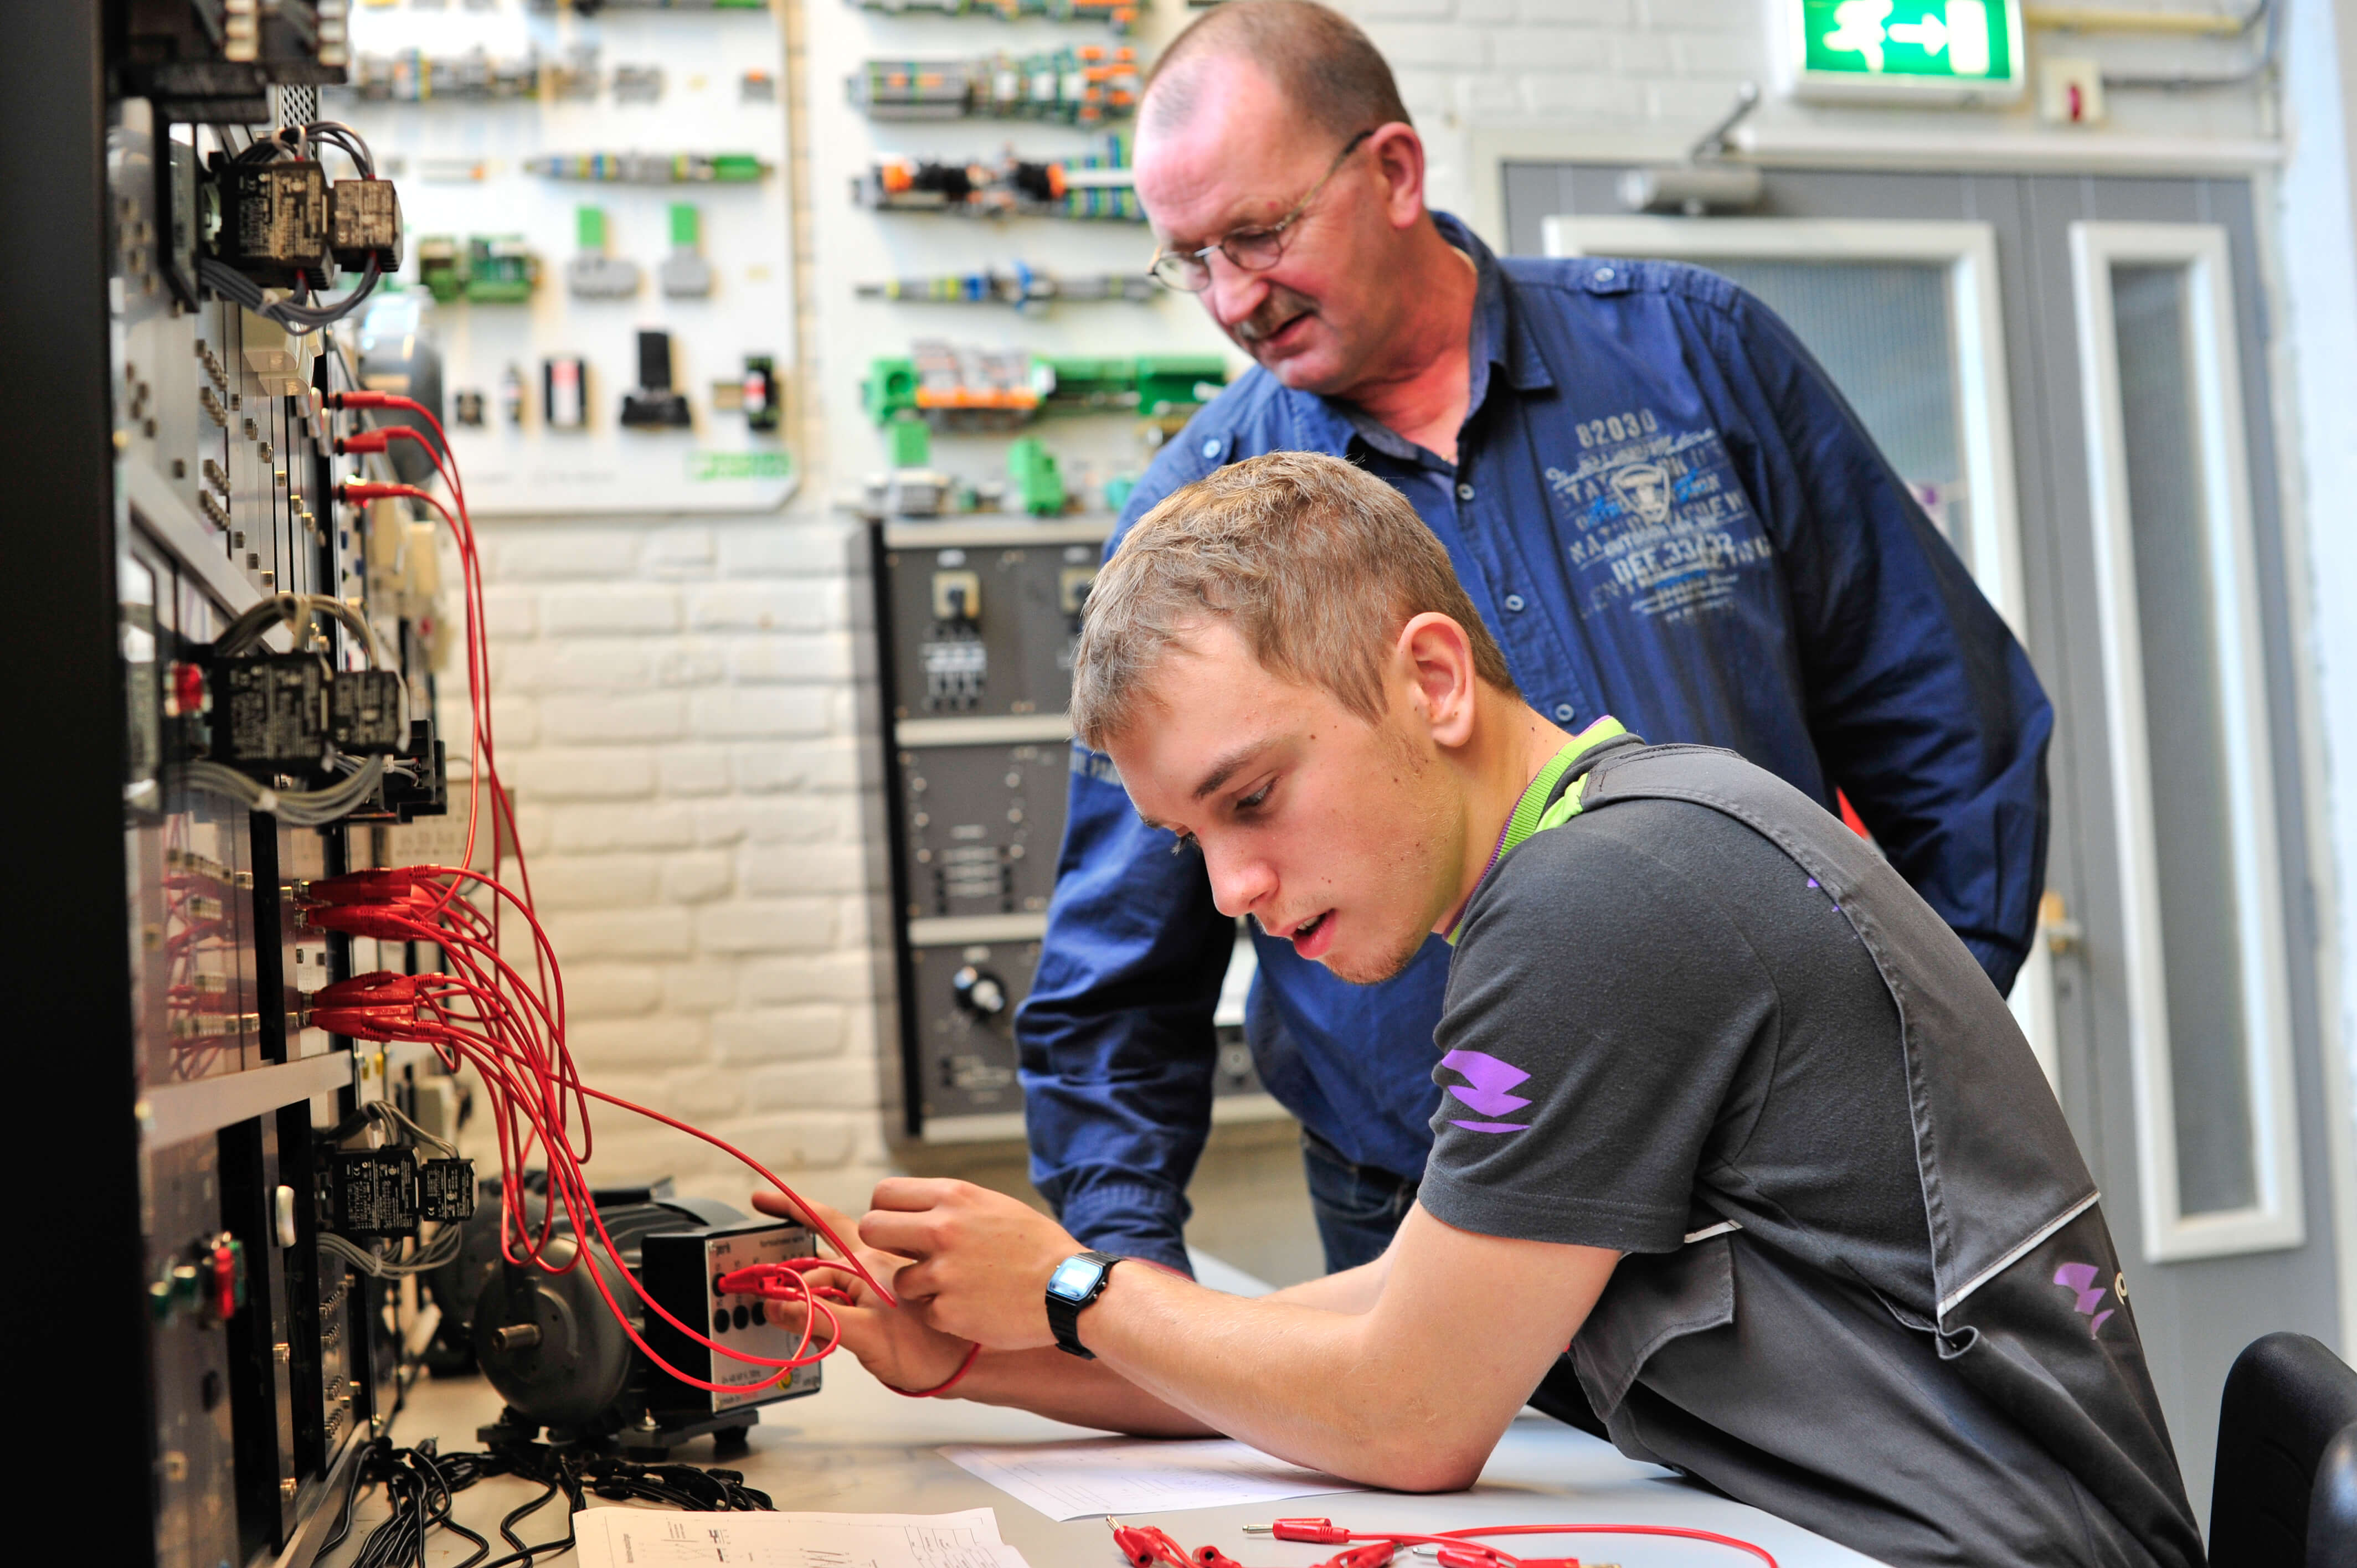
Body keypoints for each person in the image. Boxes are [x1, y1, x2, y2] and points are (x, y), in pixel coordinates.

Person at [760, 454, 2198, 1568]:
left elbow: (1408, 1414)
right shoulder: (1629, 836)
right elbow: (1378, 1322)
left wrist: (1077, 1287)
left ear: (1433, 680)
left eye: (1252, 799)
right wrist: (998, 1359)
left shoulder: (1598, 900)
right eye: (1190, 839)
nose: (1233, 889)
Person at [1016, 0, 2054, 1285]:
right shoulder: (1198, 515)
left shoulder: (1694, 360)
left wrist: (1903, 1061)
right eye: (1190, 261)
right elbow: (1119, 965)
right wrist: (1126, 1291)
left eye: (1259, 235)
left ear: (1394, 171)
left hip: (1781, 1187)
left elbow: (1951, 737)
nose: (1233, 298)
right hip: (1423, 1206)